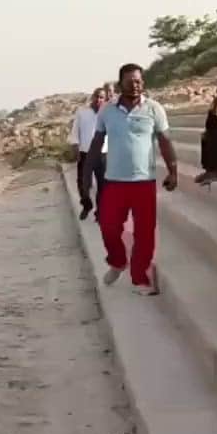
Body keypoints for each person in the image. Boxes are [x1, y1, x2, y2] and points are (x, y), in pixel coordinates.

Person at [84, 63, 178, 296]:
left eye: (138, 81)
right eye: (130, 82)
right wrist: (86, 174)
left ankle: (140, 278)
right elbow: (97, 143)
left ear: (142, 83)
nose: (135, 86)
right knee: (108, 227)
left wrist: (173, 171)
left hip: (144, 181)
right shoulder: (107, 111)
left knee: (144, 233)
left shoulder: (154, 109)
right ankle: (118, 261)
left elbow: (165, 141)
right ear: (120, 85)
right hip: (114, 181)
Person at [69, 88, 108, 220]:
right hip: (85, 153)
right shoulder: (82, 112)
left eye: (102, 97)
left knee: (103, 185)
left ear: (105, 100)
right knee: (82, 184)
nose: (99, 100)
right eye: (97, 96)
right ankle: (87, 205)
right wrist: (75, 147)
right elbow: (75, 131)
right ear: (92, 97)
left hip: (102, 154)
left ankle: (100, 211)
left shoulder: (107, 114)